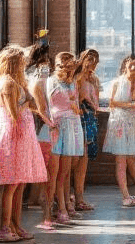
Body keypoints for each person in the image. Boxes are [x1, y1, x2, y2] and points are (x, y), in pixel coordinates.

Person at [0, 45, 47, 243]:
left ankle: (16, 224)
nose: (25, 64)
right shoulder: (7, 83)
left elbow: (30, 104)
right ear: (14, 63)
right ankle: (4, 226)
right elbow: (13, 113)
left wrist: (28, 97)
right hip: (14, 136)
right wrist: (26, 101)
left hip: (22, 135)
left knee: (20, 182)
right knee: (11, 184)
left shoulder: (17, 82)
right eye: (21, 62)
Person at [26, 44, 63, 230]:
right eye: (45, 60)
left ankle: (49, 215)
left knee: (51, 176)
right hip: (46, 132)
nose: (47, 64)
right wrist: (51, 124)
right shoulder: (38, 82)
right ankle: (47, 216)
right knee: (48, 176)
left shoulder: (44, 81)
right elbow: (41, 109)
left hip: (48, 131)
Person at [103, 56, 135, 206]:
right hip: (120, 122)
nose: (134, 69)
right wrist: (129, 105)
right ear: (125, 66)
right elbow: (111, 102)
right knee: (121, 161)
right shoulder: (117, 82)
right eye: (131, 66)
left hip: (133, 123)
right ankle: (125, 196)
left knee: (131, 160)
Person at [46, 52, 84, 220]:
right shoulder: (51, 81)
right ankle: (61, 207)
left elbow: (75, 103)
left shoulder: (73, 82)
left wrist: (76, 108)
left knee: (68, 169)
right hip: (60, 125)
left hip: (74, 124)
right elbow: (50, 104)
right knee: (60, 171)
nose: (69, 69)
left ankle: (67, 203)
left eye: (71, 65)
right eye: (67, 65)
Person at [73, 49, 101, 213]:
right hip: (79, 119)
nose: (91, 66)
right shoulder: (76, 79)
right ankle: (74, 197)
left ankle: (79, 197)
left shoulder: (93, 79)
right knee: (76, 160)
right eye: (89, 63)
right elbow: (73, 99)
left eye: (94, 63)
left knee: (84, 160)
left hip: (89, 118)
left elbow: (96, 102)